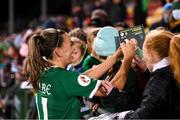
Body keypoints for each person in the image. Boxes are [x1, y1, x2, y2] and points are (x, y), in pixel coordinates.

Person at [25, 28, 135, 119]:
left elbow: (81, 78)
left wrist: (115, 57)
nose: (73, 47)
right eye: (70, 44)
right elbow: (109, 90)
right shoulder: (65, 79)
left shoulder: (45, 73)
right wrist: (127, 60)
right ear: (58, 51)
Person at [116, 29, 180, 119]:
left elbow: (144, 116)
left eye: (144, 54)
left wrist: (124, 116)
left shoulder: (159, 79)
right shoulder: (173, 69)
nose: (144, 59)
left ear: (151, 55)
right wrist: (146, 73)